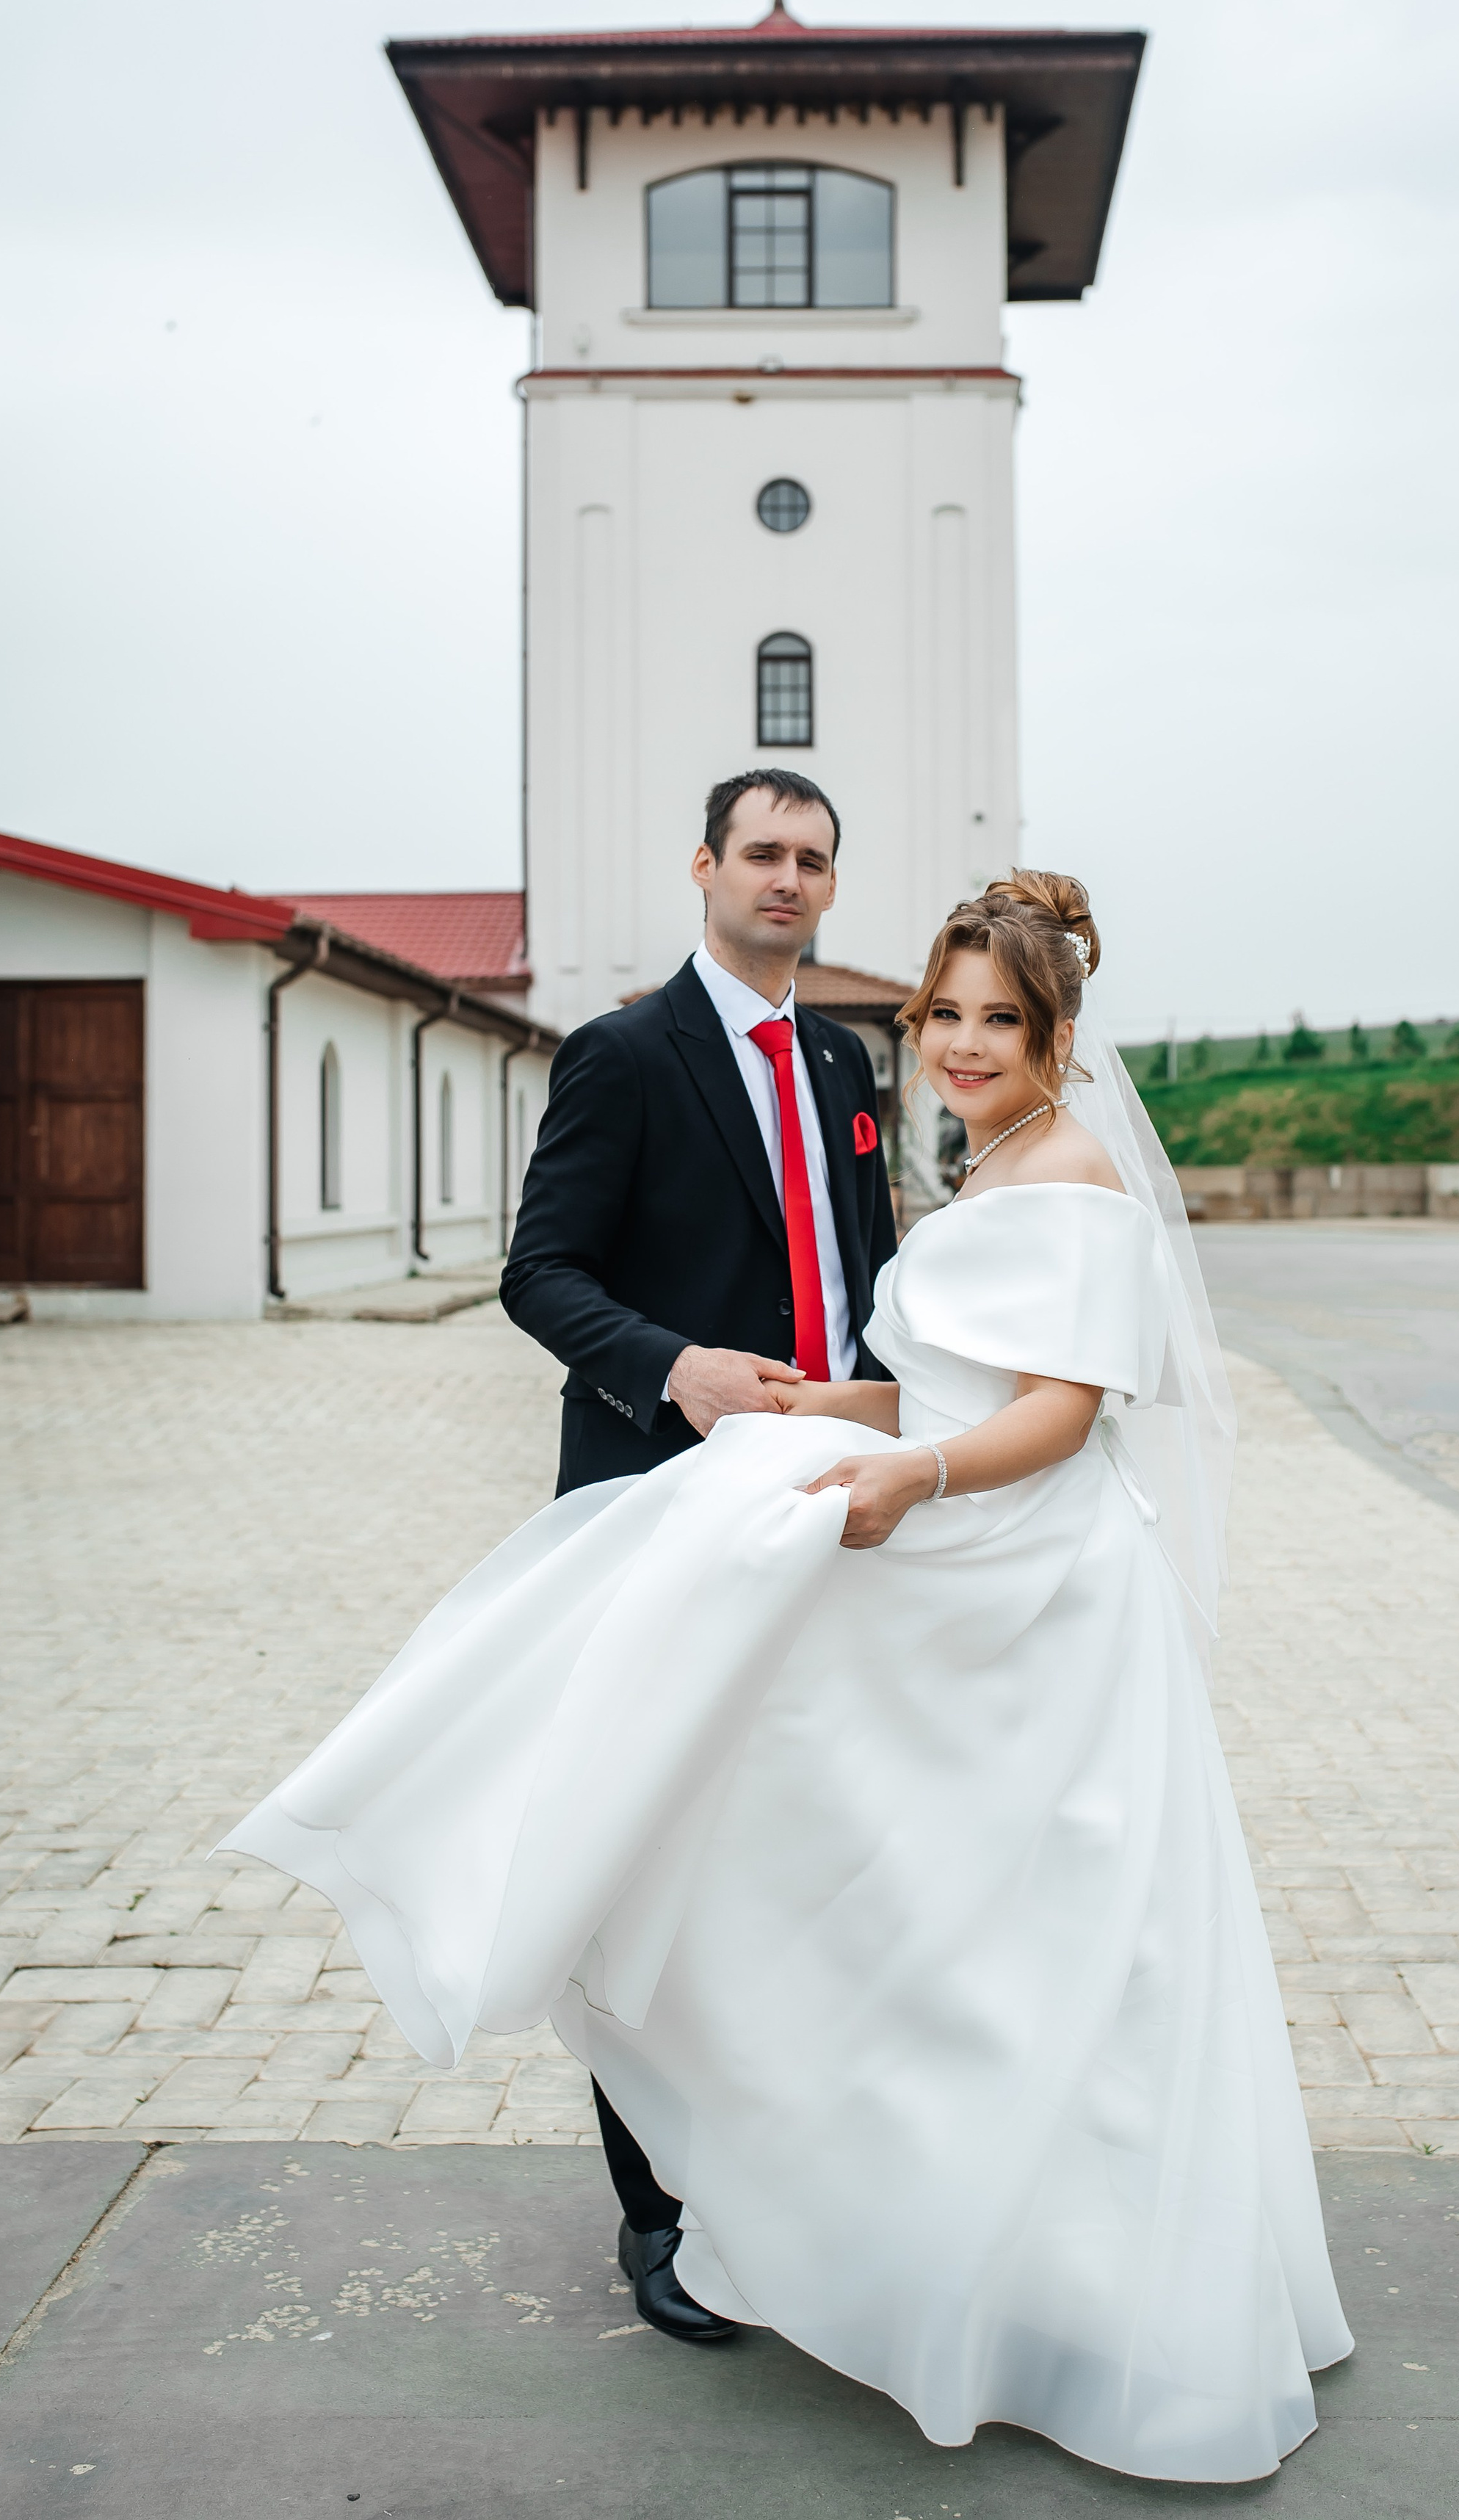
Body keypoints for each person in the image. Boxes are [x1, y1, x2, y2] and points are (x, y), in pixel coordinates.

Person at [218, 871, 1353, 2483]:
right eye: (944, 1015)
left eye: (998, 1022)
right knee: (885, 1851)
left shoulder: (1080, 1174)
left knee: (1056, 1931)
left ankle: (1100, 2281)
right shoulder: (990, 1163)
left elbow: (1062, 1413)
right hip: (961, 1559)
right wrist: (828, 1406)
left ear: (1056, 1035)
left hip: (1036, 1599)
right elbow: (939, 1382)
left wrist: (913, 1477)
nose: (962, 1045)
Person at [494, 767, 898, 2337]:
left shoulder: (847, 1060)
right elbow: (538, 1271)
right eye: (760, 853)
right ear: (703, 869)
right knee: (653, 1855)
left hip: (830, 1507)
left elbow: (863, 1275)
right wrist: (674, 1365)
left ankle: (791, 2178)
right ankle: (657, 2214)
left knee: (802, 1853)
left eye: (811, 858)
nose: (784, 879)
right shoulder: (622, 1055)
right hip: (662, 1504)